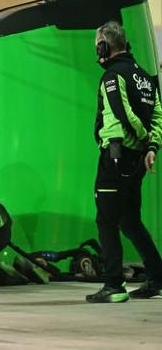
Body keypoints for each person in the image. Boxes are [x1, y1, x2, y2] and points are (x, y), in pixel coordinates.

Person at [86, 20, 162, 303]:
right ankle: (157, 278)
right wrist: (152, 145)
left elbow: (123, 112)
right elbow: (158, 115)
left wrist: (143, 139)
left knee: (106, 221)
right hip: (136, 160)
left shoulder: (111, 77)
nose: (97, 50)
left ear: (105, 46)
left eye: (98, 45)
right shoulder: (145, 77)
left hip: (116, 157)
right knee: (130, 221)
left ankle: (114, 285)